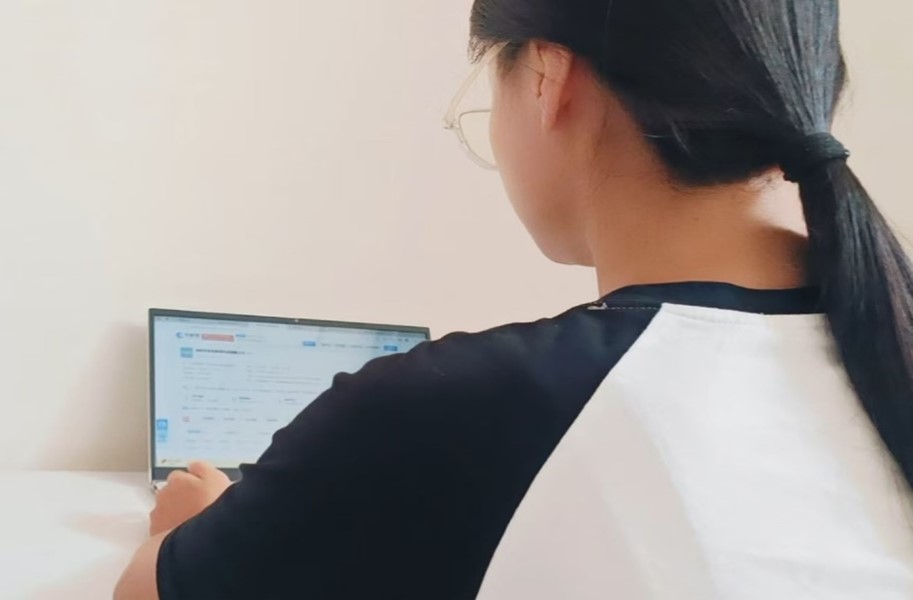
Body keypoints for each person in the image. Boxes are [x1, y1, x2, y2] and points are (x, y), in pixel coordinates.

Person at [115, 0, 913, 598]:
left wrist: (197, 524)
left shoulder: (447, 411)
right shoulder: (882, 348)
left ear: (545, 77)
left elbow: (143, 591)